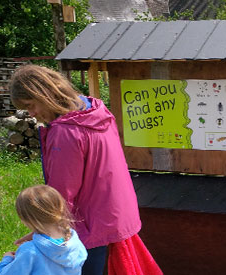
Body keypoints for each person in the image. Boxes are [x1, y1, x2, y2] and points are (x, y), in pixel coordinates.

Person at [9, 65, 162, 275]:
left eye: (31, 105)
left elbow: (61, 194)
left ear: (43, 93)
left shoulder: (66, 132)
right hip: (116, 214)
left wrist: (43, 230)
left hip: (89, 225)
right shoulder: (96, 110)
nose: (32, 114)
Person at [0, 185, 87, 275]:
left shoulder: (29, 251)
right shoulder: (73, 240)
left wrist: (7, 259)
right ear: (60, 208)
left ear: (26, 219)